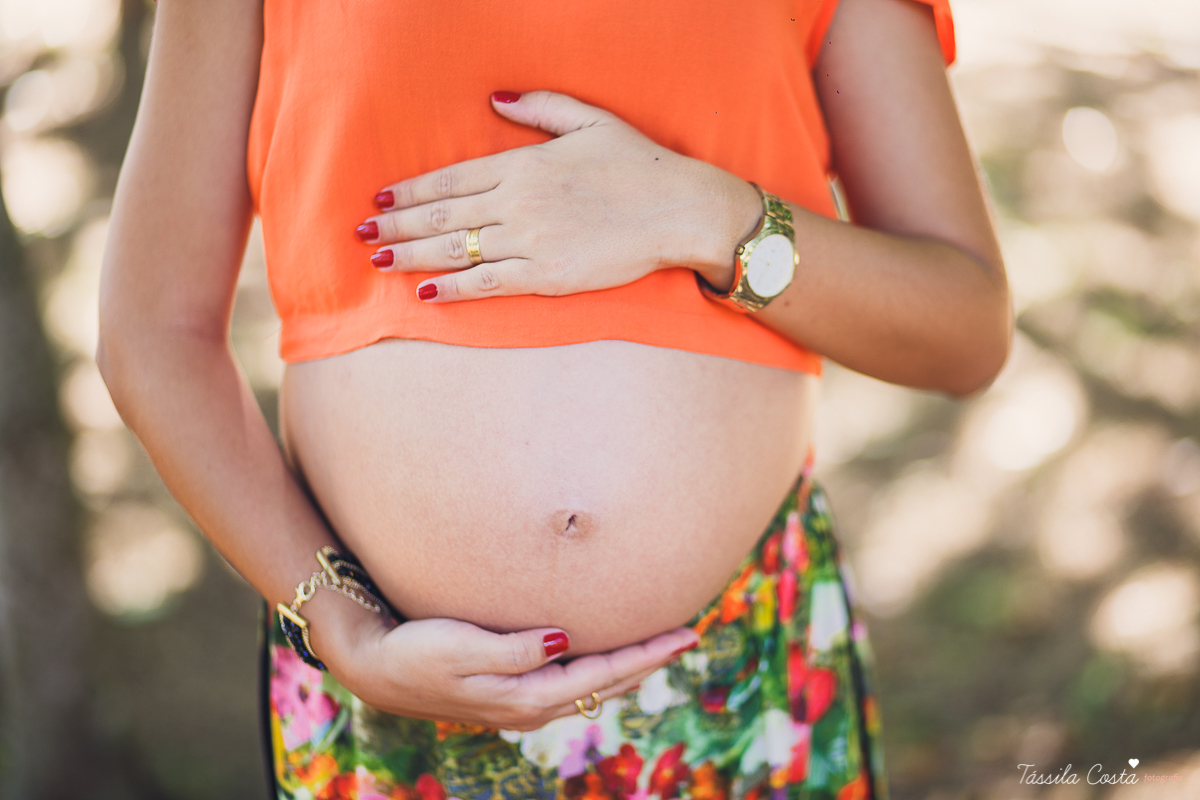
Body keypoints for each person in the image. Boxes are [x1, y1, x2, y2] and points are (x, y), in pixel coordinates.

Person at [98, 0, 1009, 798]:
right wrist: (347, 633)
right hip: (395, 694)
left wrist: (705, 216)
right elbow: (154, 331)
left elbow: (964, 326)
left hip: (738, 676)